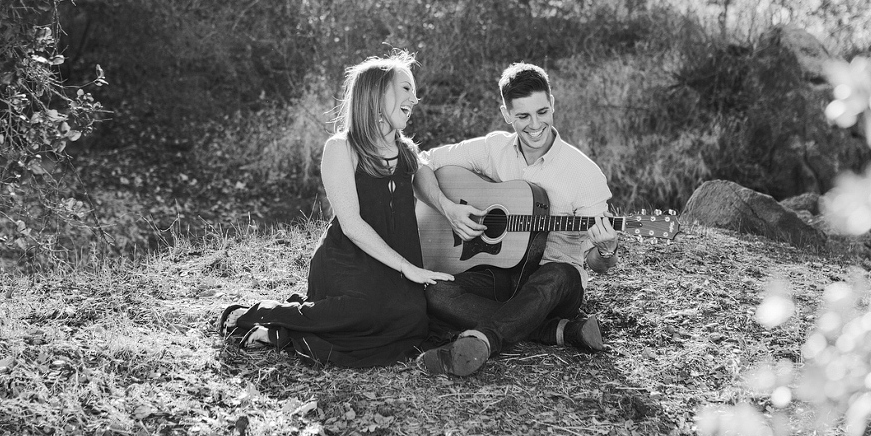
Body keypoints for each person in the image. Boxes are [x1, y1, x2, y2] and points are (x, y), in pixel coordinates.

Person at [216, 52, 453, 368]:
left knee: (411, 318)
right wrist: (407, 268)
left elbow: (423, 172)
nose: (416, 98)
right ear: (377, 93)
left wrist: (448, 207)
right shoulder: (342, 148)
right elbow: (352, 224)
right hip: (347, 261)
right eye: (406, 89)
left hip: (390, 262)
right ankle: (262, 314)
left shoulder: (405, 149)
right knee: (365, 310)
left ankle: (282, 333)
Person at [412, 62, 620, 377]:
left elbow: (596, 263)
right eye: (522, 116)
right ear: (507, 114)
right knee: (435, 291)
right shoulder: (493, 148)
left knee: (560, 274)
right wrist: (448, 208)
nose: (535, 125)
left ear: (553, 106)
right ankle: (553, 331)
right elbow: (423, 161)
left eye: (542, 112)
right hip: (498, 275)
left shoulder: (584, 173)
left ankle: (483, 340)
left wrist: (606, 250)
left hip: (553, 287)